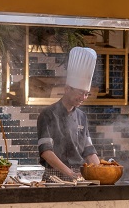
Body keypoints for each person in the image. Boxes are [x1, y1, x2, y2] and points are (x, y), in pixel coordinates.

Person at [37, 47, 100, 180]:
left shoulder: (82, 117)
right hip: (55, 177)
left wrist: (101, 171)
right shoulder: (48, 114)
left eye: (86, 94)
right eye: (80, 92)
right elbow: (46, 151)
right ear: (67, 89)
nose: (83, 98)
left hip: (79, 175)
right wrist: (70, 173)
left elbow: (88, 150)